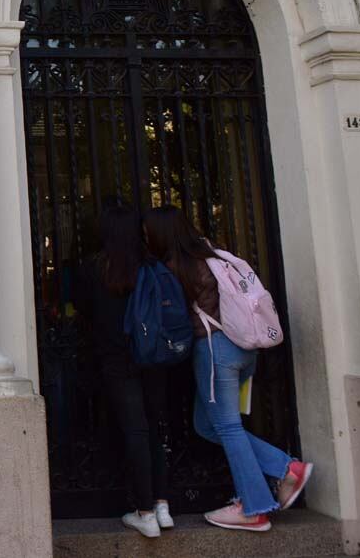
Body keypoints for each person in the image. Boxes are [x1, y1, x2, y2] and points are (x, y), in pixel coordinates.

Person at [143, 205, 312, 532]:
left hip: (215, 350)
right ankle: (285, 470)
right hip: (245, 349)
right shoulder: (214, 254)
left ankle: (255, 507)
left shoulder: (177, 267)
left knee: (228, 427)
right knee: (207, 425)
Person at [75, 202, 172, 538]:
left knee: (136, 432)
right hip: (153, 357)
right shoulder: (151, 265)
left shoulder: (93, 269)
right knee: (154, 429)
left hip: (117, 360)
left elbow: (84, 312)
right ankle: (161, 504)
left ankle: (144, 511)